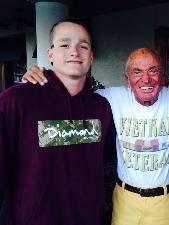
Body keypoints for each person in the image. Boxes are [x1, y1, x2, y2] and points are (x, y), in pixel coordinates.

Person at [23, 47, 169, 225]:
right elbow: (70, 91)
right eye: (137, 72)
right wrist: (43, 76)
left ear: (163, 75)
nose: (145, 79)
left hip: (165, 201)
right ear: (127, 79)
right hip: (125, 199)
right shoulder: (110, 97)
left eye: (153, 71)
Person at [0, 18, 113, 225]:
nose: (74, 51)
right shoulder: (15, 101)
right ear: (50, 53)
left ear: (91, 57)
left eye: (83, 46)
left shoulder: (102, 107)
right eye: (64, 44)